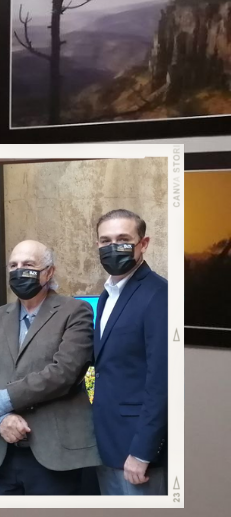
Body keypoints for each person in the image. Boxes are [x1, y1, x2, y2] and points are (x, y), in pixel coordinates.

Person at [0, 240, 100, 495]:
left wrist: (2, 401)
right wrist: (1, 418)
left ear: (49, 272)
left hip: (56, 455)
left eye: (28, 265)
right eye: (13, 266)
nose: (19, 271)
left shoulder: (75, 311)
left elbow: (64, 372)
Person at [92, 209, 168, 495]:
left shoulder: (159, 295)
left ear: (143, 244)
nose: (112, 247)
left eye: (123, 239)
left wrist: (142, 452)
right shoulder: (106, 295)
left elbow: (161, 380)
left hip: (137, 454)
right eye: (105, 240)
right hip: (106, 444)